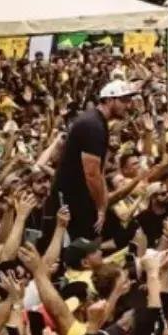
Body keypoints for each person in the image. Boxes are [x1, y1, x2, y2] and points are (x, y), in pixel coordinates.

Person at [49, 80, 133, 240]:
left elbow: (99, 170)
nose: (128, 105)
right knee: (82, 247)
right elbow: (92, 173)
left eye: (129, 100)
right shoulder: (93, 125)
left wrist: (104, 202)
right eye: (123, 100)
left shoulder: (98, 122)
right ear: (109, 100)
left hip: (82, 196)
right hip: (71, 198)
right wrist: (101, 207)